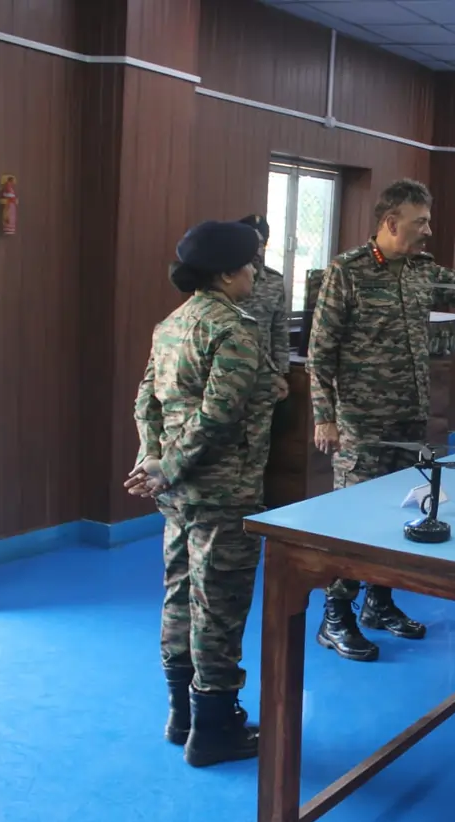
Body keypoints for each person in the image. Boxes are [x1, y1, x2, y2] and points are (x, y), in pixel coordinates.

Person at [308, 178, 455, 662]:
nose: (428, 230)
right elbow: (320, 352)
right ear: (390, 222)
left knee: (399, 512)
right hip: (362, 422)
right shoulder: (347, 271)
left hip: (410, 417)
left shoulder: (422, 270)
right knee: (355, 520)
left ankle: (378, 602)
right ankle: (334, 616)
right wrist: (325, 417)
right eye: (419, 222)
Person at [127, 219, 276, 766]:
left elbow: (146, 401)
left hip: (178, 494)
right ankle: (214, 730)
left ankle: (181, 717)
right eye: (249, 264)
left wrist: (153, 460)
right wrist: (166, 467)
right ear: (227, 274)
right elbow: (219, 414)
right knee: (219, 605)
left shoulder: (171, 324)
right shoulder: (234, 329)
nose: (255, 272)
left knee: (179, 594)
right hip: (222, 492)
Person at [237, 214, 292, 404]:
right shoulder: (227, 278)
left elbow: (279, 330)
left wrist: (281, 372)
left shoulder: (274, 281)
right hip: (230, 368)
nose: (257, 250)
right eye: (252, 243)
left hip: (264, 374)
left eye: (261, 244)